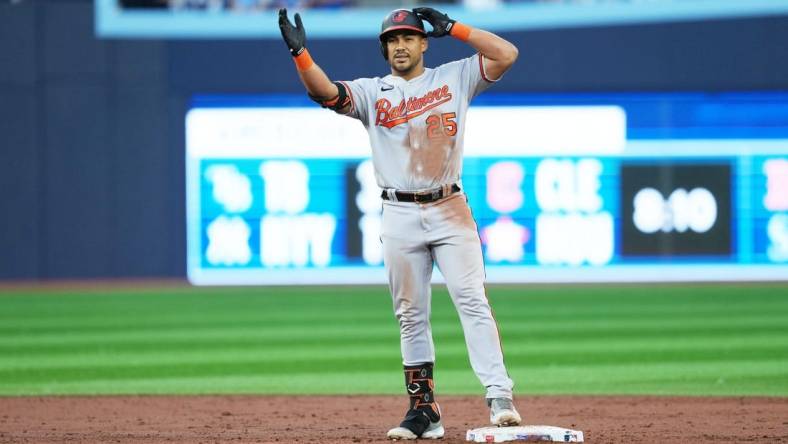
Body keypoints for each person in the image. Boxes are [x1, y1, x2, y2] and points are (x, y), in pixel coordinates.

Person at [278, 7, 520, 440]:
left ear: (424, 43)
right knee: (410, 315)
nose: (400, 45)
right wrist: (301, 54)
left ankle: (499, 395)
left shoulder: (454, 77)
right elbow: (326, 93)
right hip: (399, 211)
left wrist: (456, 28)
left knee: (471, 300)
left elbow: (506, 54)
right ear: (385, 48)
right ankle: (424, 410)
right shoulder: (374, 92)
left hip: (449, 207)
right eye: (392, 40)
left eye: (408, 38)